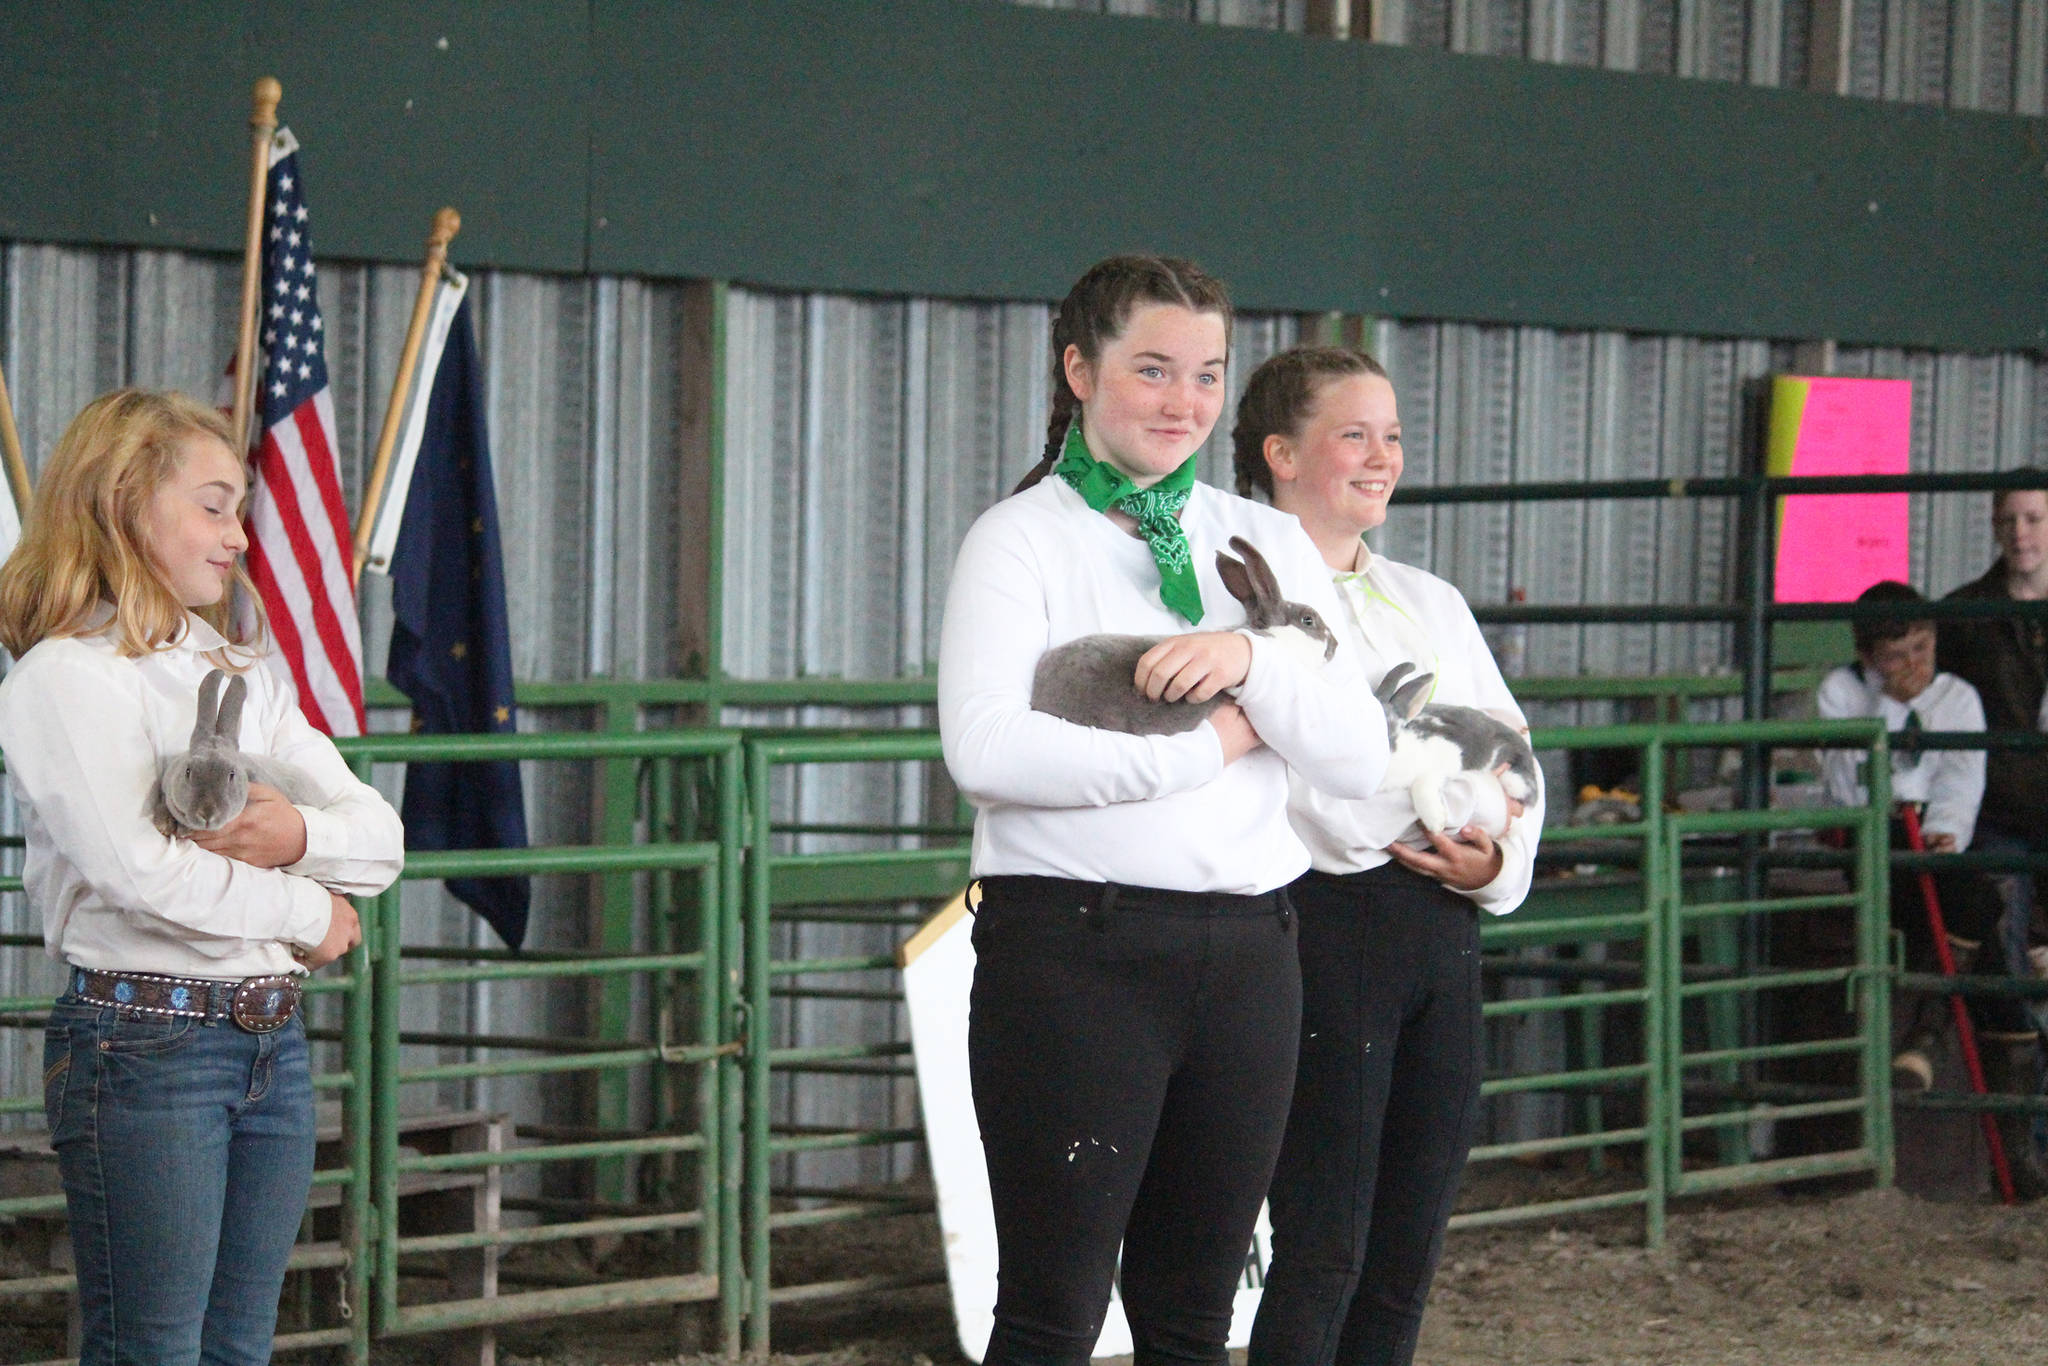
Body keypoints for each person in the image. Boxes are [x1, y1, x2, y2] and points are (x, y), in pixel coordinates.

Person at [937, 258, 1389, 1366]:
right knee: (1052, 1311)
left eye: (1205, 374)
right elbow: (986, 750)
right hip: (1074, 953)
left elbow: (1358, 753)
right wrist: (1204, 750)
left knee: (1194, 1315)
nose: (1183, 401)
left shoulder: (1266, 542)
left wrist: (1253, 660)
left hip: (1249, 955)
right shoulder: (1020, 539)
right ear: (1078, 369)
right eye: (1151, 369)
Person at [0, 389, 403, 1364]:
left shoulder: (239, 669)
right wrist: (310, 908)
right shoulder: (65, 676)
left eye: (241, 511)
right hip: (146, 1041)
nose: (239, 537)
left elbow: (380, 839)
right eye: (214, 506)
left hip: (267, 1037)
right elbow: (142, 875)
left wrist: (293, 833)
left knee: (235, 1344)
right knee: (155, 1347)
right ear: (127, 503)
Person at [1231, 347, 1543, 1366]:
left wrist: (1493, 858)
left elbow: (1514, 756)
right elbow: (1323, 783)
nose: (1382, 457)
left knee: (1409, 1241)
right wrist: (1450, 790)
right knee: (1324, 1237)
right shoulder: (1247, 602)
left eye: (1393, 436)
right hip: (1325, 921)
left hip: (1442, 921)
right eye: (1353, 435)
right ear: (1280, 453)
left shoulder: (1429, 599)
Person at [1832, 580, 2044, 1191]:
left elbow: (1962, 778)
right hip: (1878, 842)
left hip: (1939, 841)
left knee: (1973, 903)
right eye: (1895, 656)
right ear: (1868, 657)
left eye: (1923, 648)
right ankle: (1932, 1042)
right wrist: (1890, 709)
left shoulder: (1958, 697)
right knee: (1978, 905)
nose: (1914, 666)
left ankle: (1930, 1044)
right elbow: (1849, 783)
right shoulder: (1842, 693)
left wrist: (1946, 831)